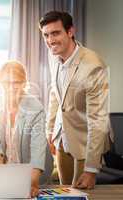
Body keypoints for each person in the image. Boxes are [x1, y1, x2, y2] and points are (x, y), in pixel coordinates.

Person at [39, 11, 110, 189]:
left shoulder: (94, 66)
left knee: (81, 193)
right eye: (46, 35)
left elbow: (98, 120)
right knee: (64, 191)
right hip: (61, 137)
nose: (50, 40)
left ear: (70, 31)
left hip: (86, 141)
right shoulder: (52, 54)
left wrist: (91, 170)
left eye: (55, 33)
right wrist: (49, 130)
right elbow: (55, 93)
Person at [0, 60, 53, 198]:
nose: (11, 87)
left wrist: (33, 180)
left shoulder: (35, 108)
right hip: (8, 167)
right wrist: (1, 171)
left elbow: (38, 147)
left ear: (24, 83)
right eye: (6, 83)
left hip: (34, 172)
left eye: (16, 82)